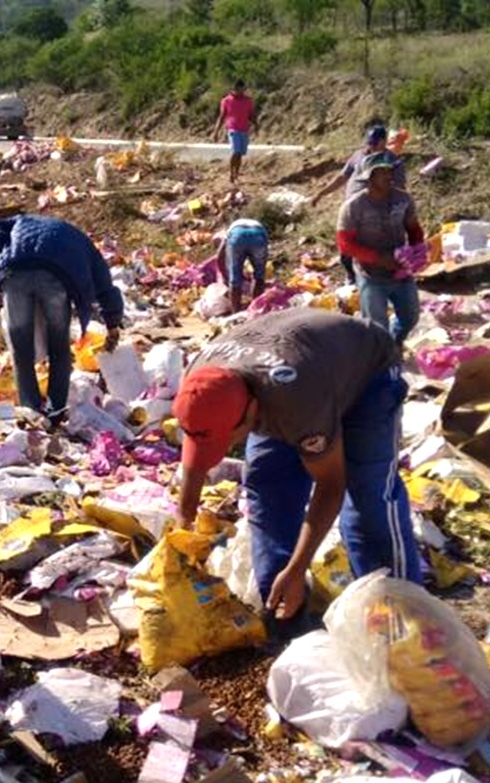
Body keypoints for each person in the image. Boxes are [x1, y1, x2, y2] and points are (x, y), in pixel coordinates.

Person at [173, 308, 419, 634]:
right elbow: (194, 461)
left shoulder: (298, 403)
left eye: (228, 437)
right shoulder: (200, 381)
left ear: (251, 412)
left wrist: (299, 564)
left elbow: (331, 485)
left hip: (366, 372)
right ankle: (285, 616)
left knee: (367, 496)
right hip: (294, 362)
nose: (227, 446)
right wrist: (181, 532)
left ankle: (398, 616)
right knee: (266, 483)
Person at [0, 214, 125, 425]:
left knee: (20, 346)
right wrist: (113, 322)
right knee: (58, 345)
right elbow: (104, 284)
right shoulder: (78, 240)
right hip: (55, 279)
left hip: (15, 275)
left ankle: (30, 410)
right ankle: (56, 411)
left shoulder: (16, 222)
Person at [336, 152, 426, 343]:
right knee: (377, 327)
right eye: (382, 172)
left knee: (411, 317)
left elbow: (414, 229)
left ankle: (394, 343)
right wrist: (379, 259)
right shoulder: (353, 207)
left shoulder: (403, 199)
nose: (389, 175)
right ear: (369, 177)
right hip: (371, 275)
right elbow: (345, 244)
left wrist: (417, 251)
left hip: (401, 271)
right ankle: (382, 358)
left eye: (389, 171)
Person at [311, 124, 408, 283]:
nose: (371, 147)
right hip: (351, 210)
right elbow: (342, 177)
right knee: (346, 244)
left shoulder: (393, 161)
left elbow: (399, 188)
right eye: (370, 143)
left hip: (376, 212)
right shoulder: (358, 155)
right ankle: (351, 276)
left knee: (372, 248)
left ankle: (377, 279)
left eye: (375, 143)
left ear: (384, 142)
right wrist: (321, 193)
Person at [215, 218, 269, 313]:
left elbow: (219, 257)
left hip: (238, 236)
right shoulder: (254, 224)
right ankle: (256, 310)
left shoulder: (228, 233)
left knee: (235, 279)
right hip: (258, 234)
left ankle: (236, 314)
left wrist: (226, 276)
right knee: (259, 276)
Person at [213, 81, 257, 186]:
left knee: (240, 154)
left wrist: (256, 125)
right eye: (240, 89)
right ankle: (231, 174)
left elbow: (251, 115)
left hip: (244, 129)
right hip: (233, 129)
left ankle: (236, 174)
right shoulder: (226, 101)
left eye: (243, 89)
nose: (242, 91)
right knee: (236, 151)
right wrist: (216, 131)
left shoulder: (248, 101)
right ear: (235, 89)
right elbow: (222, 116)